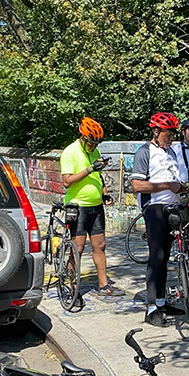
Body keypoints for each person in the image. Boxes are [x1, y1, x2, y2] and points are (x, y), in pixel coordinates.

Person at [129, 112, 189, 327]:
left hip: (172, 207)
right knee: (156, 256)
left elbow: (174, 180)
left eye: (173, 134)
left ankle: (162, 301)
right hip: (154, 208)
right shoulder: (145, 152)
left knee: (165, 257)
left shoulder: (171, 153)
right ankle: (151, 309)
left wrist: (185, 187)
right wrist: (167, 186)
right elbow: (136, 186)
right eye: (168, 134)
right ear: (156, 131)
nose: (171, 138)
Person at [57, 117, 117, 304]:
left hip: (95, 206)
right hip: (78, 206)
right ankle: (72, 289)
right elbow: (67, 181)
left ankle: (104, 285)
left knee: (100, 246)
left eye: (96, 143)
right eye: (90, 143)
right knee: (78, 248)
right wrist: (90, 169)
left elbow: (98, 177)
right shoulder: (70, 152)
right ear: (82, 137)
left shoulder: (96, 150)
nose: (93, 146)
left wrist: (104, 193)